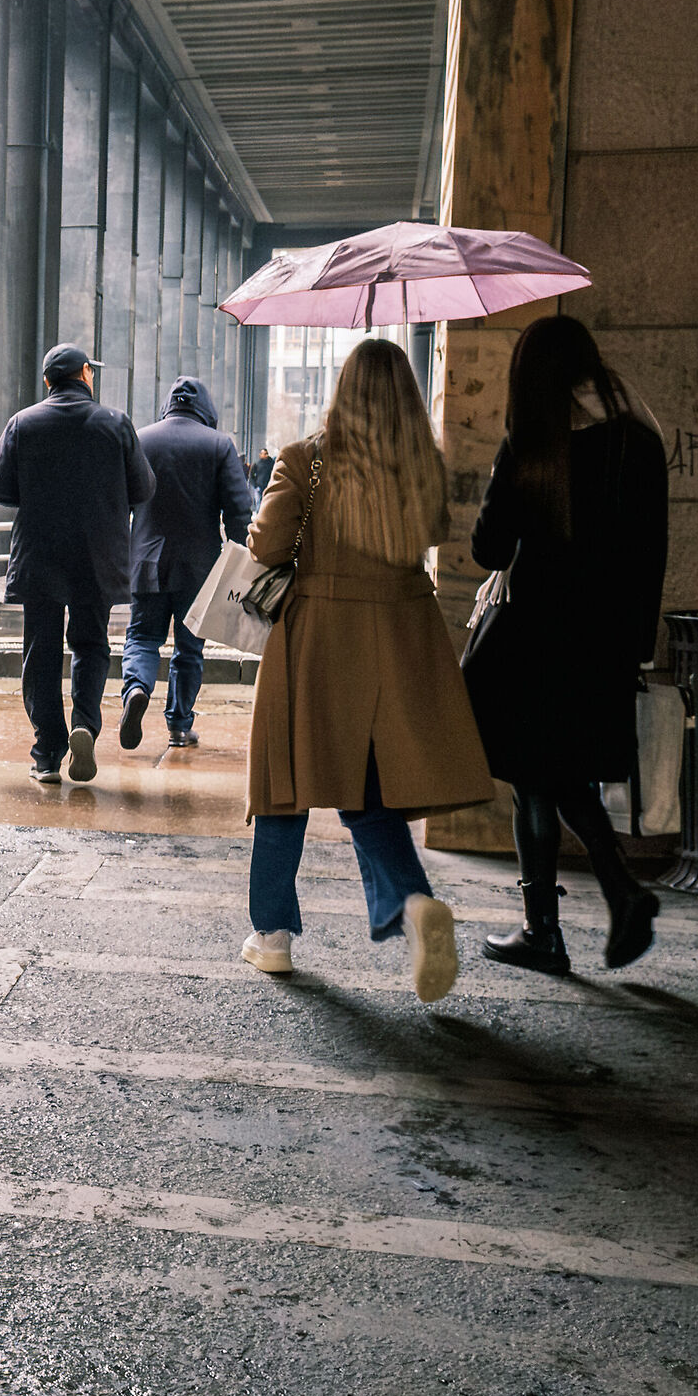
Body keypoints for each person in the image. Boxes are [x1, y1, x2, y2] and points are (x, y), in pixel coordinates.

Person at [242, 338, 490, 1003]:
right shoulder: (423, 466)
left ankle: (272, 938)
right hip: (403, 636)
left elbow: (266, 545)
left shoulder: (306, 460)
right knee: (370, 795)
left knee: (285, 782)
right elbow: (430, 534)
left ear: (343, 390)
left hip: (320, 641)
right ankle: (413, 904)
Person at [466, 314, 669, 974]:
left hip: (533, 643)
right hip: (605, 644)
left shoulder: (534, 443)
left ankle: (544, 931)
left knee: (534, 781)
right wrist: (636, 644)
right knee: (564, 774)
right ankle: (619, 892)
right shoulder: (638, 440)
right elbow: (651, 555)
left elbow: (489, 548)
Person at [0, 343, 156, 786]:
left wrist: (39, 490)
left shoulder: (24, 423)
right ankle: (85, 723)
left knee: (41, 651)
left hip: (40, 555)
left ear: (47, 381)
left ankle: (46, 754)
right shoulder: (115, 423)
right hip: (98, 556)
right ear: (84, 374)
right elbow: (143, 488)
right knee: (90, 643)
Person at [121, 375, 256, 750]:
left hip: (145, 561)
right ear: (206, 408)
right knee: (189, 648)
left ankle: (136, 688)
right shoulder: (218, 445)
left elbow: (123, 503)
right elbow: (238, 511)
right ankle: (180, 725)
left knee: (143, 637)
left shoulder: (141, 438)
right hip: (200, 569)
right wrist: (241, 558)